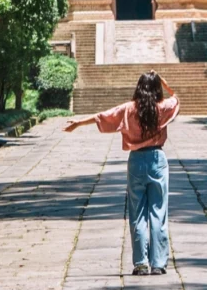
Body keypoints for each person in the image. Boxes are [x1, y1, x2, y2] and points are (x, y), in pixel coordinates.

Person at [64, 71, 179, 276]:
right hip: (157, 160)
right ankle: (158, 263)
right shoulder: (162, 108)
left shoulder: (129, 109)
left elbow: (103, 116)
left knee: (137, 213)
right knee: (158, 212)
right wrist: (165, 83)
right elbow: (176, 99)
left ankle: (141, 263)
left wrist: (78, 123)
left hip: (136, 161)